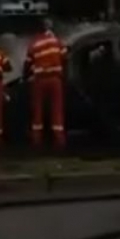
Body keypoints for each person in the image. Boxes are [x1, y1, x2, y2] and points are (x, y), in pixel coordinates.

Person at [23, 18, 68, 150]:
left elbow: (27, 64)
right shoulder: (57, 42)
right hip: (55, 80)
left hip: (39, 81)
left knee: (37, 112)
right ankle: (59, 141)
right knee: (57, 111)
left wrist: (25, 77)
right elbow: (65, 59)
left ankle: (37, 141)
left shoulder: (34, 43)